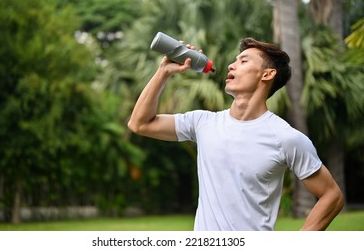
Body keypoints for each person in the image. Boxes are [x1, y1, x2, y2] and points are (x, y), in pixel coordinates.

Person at [127, 37, 344, 231]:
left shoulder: (286, 138)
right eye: (235, 60)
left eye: (243, 61)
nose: (231, 65)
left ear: (267, 74)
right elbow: (140, 124)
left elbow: (332, 196)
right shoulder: (203, 122)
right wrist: (163, 72)